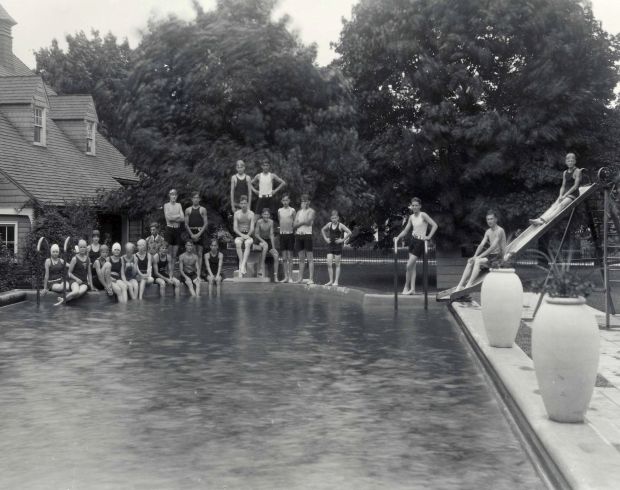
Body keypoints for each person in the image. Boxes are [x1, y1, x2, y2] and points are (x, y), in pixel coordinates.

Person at [393, 197, 438, 295]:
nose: (414, 207)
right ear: (411, 206)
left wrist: (429, 236)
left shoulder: (423, 215)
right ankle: (412, 289)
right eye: (413, 205)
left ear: (420, 206)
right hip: (413, 241)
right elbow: (405, 230)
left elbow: (435, 225)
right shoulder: (411, 217)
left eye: (416, 205)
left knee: (408, 265)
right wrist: (398, 237)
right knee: (412, 267)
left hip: (420, 242)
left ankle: (406, 287)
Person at [456, 210, 507, 290]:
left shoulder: (500, 230)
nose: (489, 221)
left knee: (478, 261)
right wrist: (474, 256)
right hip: (491, 256)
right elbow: (481, 245)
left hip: (499, 257)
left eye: (491, 219)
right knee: (470, 261)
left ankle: (469, 285)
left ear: (496, 219)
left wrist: (478, 257)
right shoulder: (488, 232)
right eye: (488, 219)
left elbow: (492, 247)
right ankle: (459, 285)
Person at [529, 152, 582, 226]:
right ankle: (540, 219)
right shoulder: (565, 172)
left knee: (561, 205)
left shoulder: (577, 171)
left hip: (573, 194)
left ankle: (544, 220)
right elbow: (563, 186)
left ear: (575, 161)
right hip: (565, 193)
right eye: (568, 161)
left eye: (572, 161)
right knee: (554, 205)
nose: (570, 162)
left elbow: (575, 186)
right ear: (566, 162)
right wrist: (560, 195)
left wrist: (565, 195)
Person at [321, 210, 352, 287]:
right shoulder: (329, 224)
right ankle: (331, 280)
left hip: (337, 247)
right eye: (332, 218)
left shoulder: (340, 225)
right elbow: (322, 230)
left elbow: (349, 232)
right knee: (329, 263)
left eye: (335, 218)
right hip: (330, 246)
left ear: (338, 218)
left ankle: (336, 281)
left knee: (337, 264)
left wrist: (342, 240)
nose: (333, 219)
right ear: (330, 218)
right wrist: (325, 239)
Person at [293, 193, 316, 284]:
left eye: (305, 201)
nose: (304, 203)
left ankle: (311, 279)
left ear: (309, 202)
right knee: (301, 258)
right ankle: (300, 278)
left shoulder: (311, 211)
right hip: (299, 235)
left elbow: (308, 222)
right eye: (303, 201)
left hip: (307, 235)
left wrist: (301, 222)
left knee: (310, 258)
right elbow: (294, 225)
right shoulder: (299, 212)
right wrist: (303, 222)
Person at [184, 191, 209, 275]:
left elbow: (205, 223)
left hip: (200, 232)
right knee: (192, 252)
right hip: (191, 232)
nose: (196, 199)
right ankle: (192, 271)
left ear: (199, 199)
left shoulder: (203, 209)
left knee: (199, 253)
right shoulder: (188, 210)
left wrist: (198, 234)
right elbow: (186, 224)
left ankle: (198, 273)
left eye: (197, 198)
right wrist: (191, 234)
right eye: (194, 198)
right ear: (192, 199)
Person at [62, 239, 93, 304]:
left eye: (84, 247)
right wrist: (76, 279)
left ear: (86, 248)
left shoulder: (88, 259)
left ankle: (63, 300)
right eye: (81, 247)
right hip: (74, 281)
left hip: (84, 282)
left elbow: (89, 273)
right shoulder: (74, 259)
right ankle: (63, 300)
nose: (82, 249)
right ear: (78, 248)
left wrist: (92, 286)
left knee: (79, 293)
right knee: (76, 292)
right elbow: (69, 273)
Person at [255, 208, 280, 280]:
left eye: (268, 214)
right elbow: (256, 234)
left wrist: (273, 247)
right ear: (262, 215)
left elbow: (271, 235)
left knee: (276, 255)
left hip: (268, 241)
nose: (266, 216)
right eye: (265, 214)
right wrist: (263, 241)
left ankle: (275, 276)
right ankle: (261, 268)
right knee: (265, 246)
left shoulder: (271, 222)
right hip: (259, 240)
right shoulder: (259, 222)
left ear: (269, 215)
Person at [164, 188, 185, 274]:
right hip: (169, 229)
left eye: (175, 195)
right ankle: (167, 273)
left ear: (177, 196)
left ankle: (171, 274)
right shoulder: (166, 205)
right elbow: (168, 218)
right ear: (169, 195)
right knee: (168, 253)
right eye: (172, 194)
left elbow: (183, 218)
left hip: (177, 230)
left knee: (174, 254)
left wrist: (173, 217)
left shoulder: (179, 205)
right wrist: (177, 216)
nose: (173, 196)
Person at [233, 195, 255, 276]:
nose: (243, 205)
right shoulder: (236, 214)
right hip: (240, 234)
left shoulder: (251, 214)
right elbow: (235, 228)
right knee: (237, 243)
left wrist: (247, 235)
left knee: (247, 243)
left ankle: (242, 265)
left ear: (247, 204)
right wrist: (242, 235)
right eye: (242, 203)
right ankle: (242, 265)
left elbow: (252, 228)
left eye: (245, 203)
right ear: (239, 204)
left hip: (248, 235)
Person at [277, 193, 296, 283]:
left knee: (290, 257)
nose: (285, 202)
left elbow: (295, 223)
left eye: (286, 200)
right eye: (283, 200)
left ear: (289, 201)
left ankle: (291, 277)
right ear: (281, 201)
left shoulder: (292, 210)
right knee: (284, 258)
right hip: (282, 235)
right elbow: (280, 221)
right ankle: (286, 277)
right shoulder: (279, 210)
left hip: (290, 235)